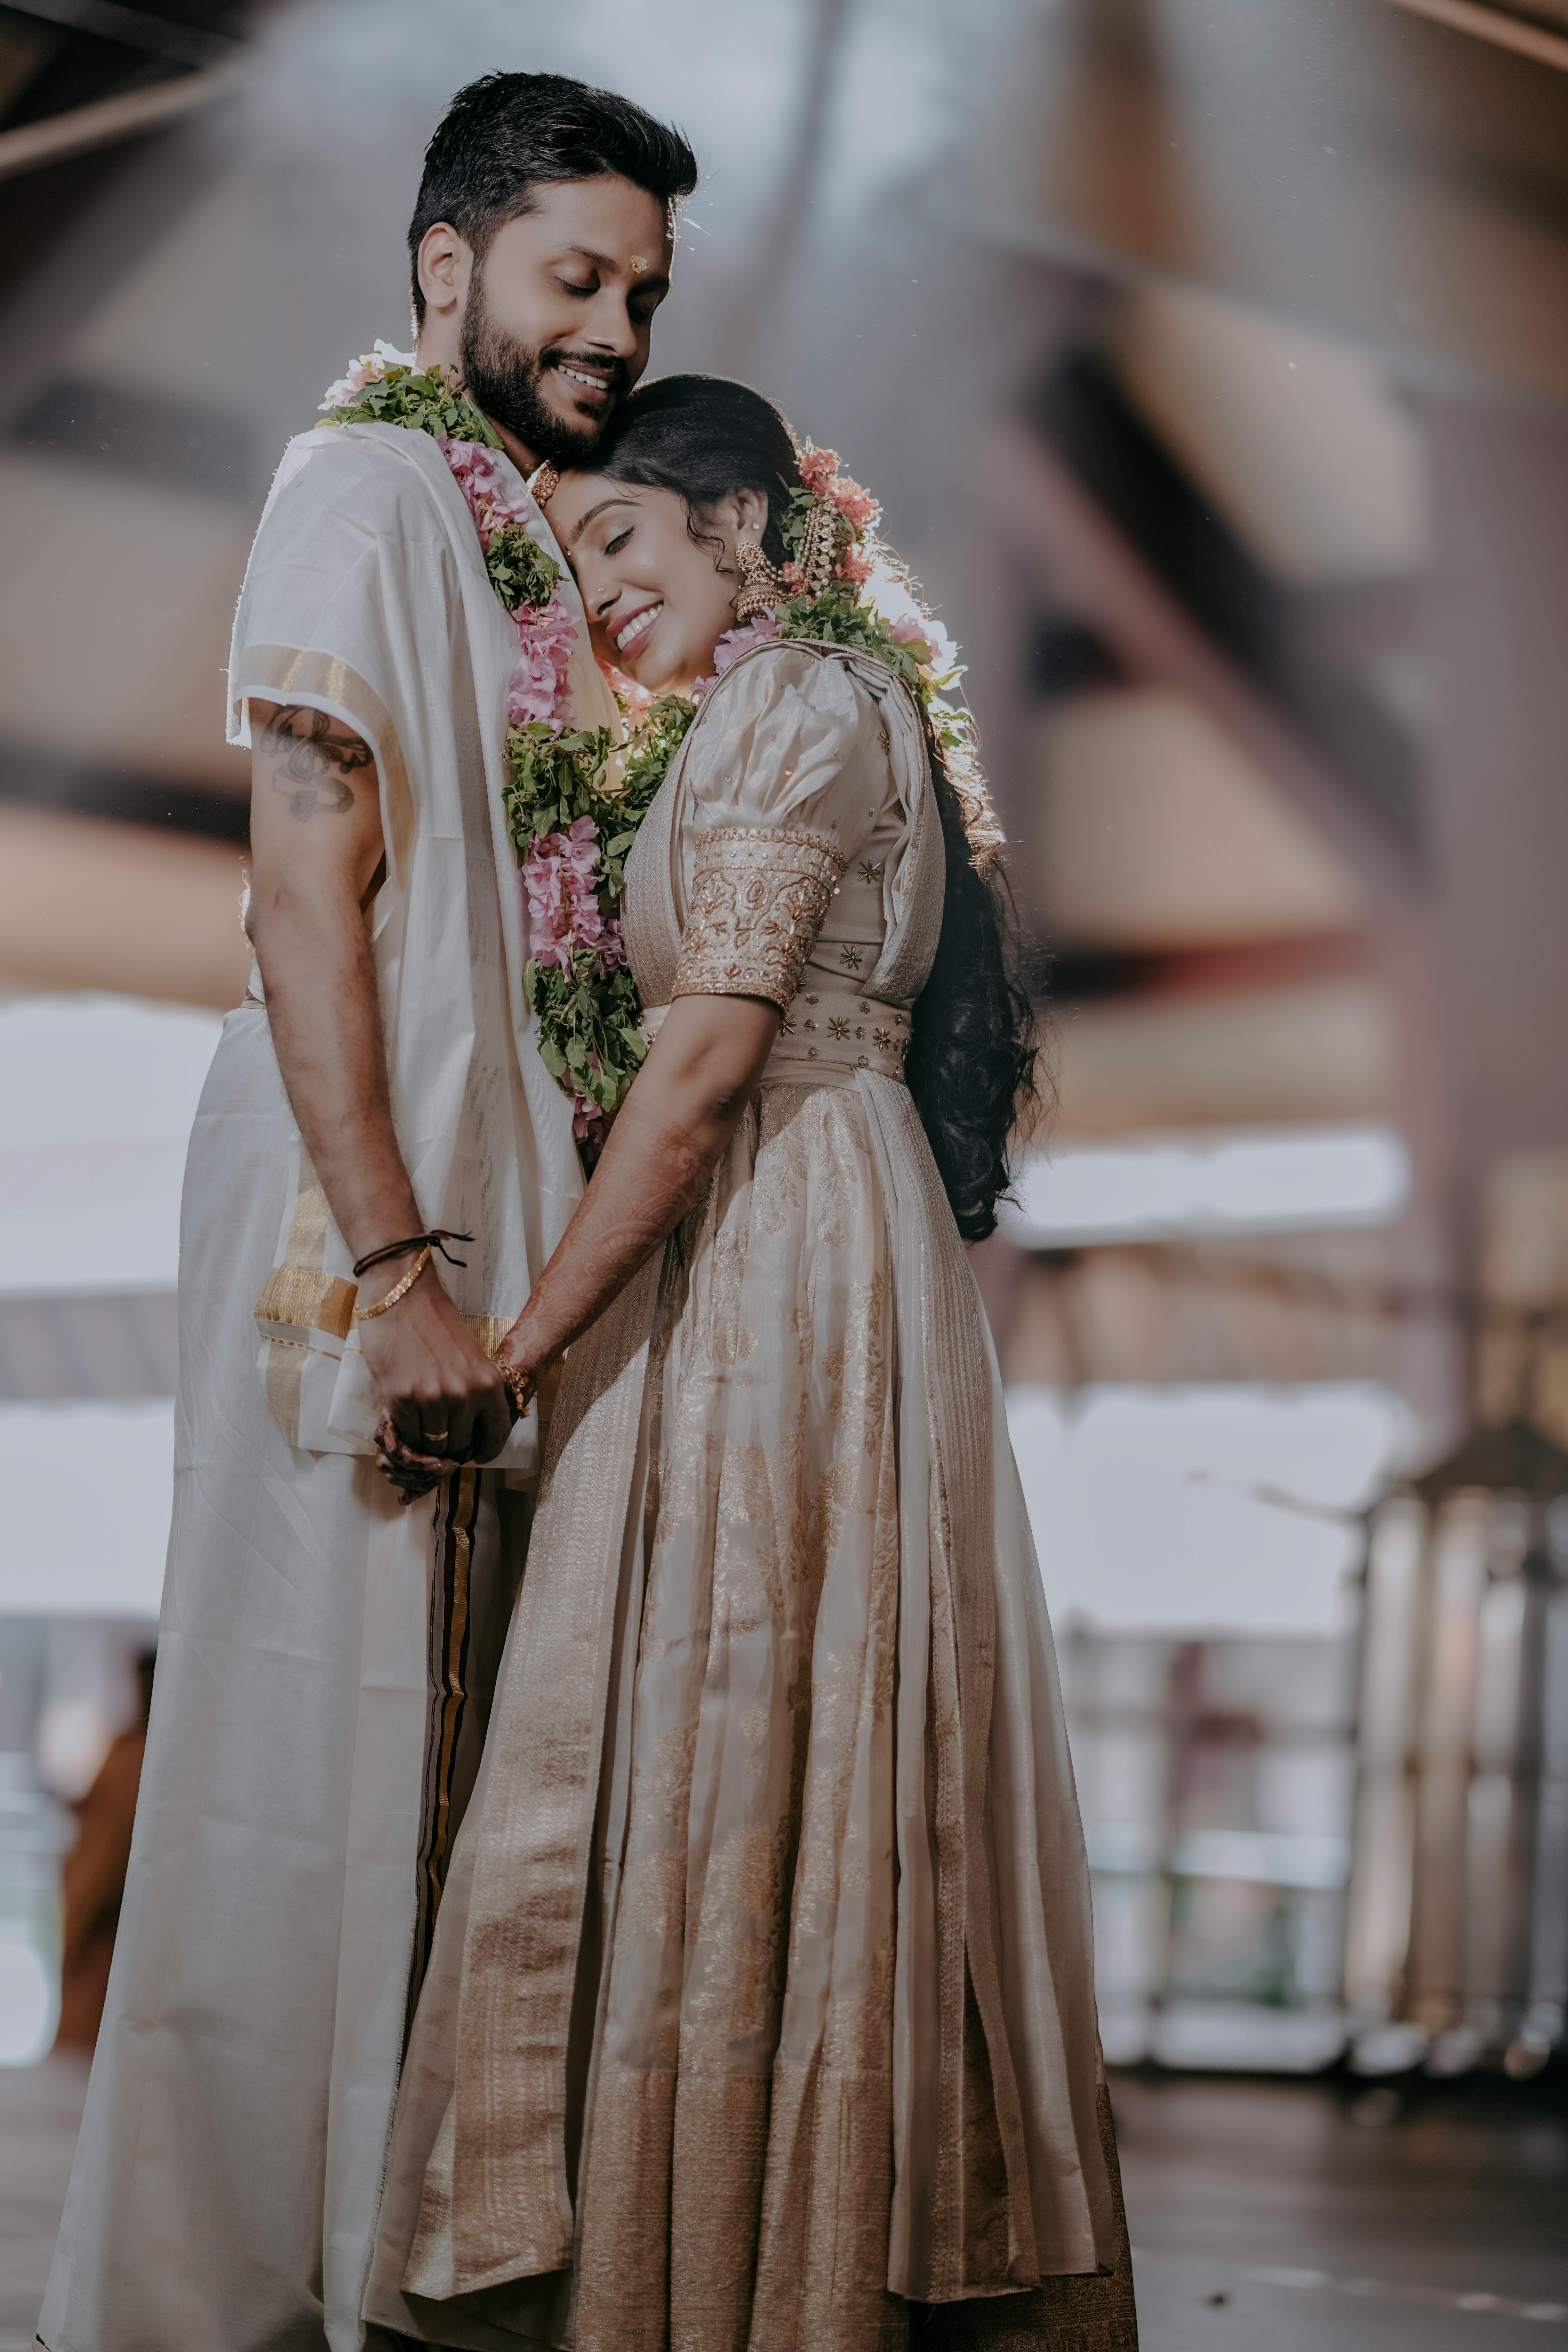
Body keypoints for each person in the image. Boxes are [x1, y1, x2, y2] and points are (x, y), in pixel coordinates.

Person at [366, 378, 1138, 2350]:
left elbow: (704, 1066)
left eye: (618, 537)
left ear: (742, 527)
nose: (593, 587)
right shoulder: (765, 710)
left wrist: (518, 1342)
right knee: (730, 1719)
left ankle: (741, 2276)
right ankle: (703, 2247)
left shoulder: (798, 702)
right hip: (771, 1225)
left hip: (786, 1232)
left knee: (745, 1703)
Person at [38, 75, 697, 2352]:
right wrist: (404, 1263)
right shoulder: (363, 484)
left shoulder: (523, 528)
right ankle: (211, 2304)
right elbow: (305, 884)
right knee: (296, 1755)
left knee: (440, 1763)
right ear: (449, 271)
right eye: (575, 275)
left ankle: (399, 2259)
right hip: (365, 1208)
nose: (613, 325)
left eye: (641, 291)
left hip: (483, 1208)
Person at [53, 1652, 155, 2052]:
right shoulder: (124, 1747)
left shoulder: (148, 1756)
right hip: (97, 1919)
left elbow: (114, 1847)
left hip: (115, 1924)